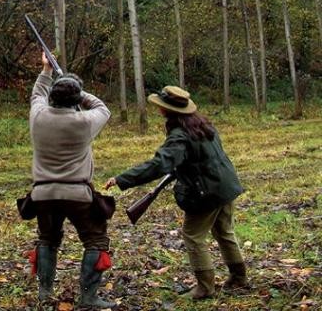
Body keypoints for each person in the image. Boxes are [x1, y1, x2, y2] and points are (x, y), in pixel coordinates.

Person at [105, 86, 248, 300]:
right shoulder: (202, 124)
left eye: (161, 106)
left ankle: (205, 288)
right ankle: (238, 277)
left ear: (167, 110)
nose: (158, 109)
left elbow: (159, 164)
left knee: (193, 236)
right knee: (224, 232)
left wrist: (122, 178)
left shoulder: (180, 135)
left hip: (207, 192)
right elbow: (195, 158)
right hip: (225, 185)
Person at [29, 52, 114, 308]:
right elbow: (102, 108)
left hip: (42, 194)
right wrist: (79, 90)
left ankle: (45, 294)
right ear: (76, 100)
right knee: (96, 241)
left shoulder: (38, 117)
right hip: (77, 194)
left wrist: (47, 70)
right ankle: (88, 297)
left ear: (52, 97)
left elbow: (37, 94)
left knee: (47, 239)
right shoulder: (85, 121)